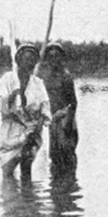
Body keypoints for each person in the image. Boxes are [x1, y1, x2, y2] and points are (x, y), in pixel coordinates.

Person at [0, 44, 51, 180]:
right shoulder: (8, 79)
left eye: (32, 60)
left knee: (26, 170)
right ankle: (10, 192)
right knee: (7, 172)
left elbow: (44, 109)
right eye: (26, 59)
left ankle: (27, 193)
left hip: (32, 130)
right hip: (11, 130)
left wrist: (36, 131)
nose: (29, 63)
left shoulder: (37, 83)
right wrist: (12, 96)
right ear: (18, 61)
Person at [37, 42, 78, 177]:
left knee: (67, 153)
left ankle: (70, 182)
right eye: (51, 57)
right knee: (55, 156)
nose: (54, 60)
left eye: (57, 56)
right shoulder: (46, 77)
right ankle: (57, 184)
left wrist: (68, 123)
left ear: (61, 58)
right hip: (53, 121)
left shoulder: (66, 76)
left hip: (65, 119)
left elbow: (73, 102)